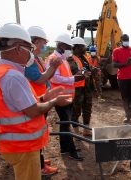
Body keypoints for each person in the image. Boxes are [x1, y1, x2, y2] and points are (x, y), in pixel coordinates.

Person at [0, 23, 71, 180]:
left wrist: (45, 98)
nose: (31, 54)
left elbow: (17, 105)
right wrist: (54, 101)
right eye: (30, 49)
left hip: (14, 143)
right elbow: (32, 110)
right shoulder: (13, 76)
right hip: (24, 145)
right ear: (19, 48)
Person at [25, 26, 61, 175]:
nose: (44, 45)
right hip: (36, 102)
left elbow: (45, 76)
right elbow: (39, 79)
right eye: (42, 42)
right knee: (35, 134)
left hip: (40, 99)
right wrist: (52, 67)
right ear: (33, 42)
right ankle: (39, 165)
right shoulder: (28, 60)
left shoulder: (34, 58)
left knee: (39, 132)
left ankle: (39, 159)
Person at [45, 33, 85, 161]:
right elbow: (54, 77)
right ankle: (71, 150)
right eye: (68, 46)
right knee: (66, 123)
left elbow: (64, 75)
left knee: (64, 123)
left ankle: (65, 148)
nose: (70, 49)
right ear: (62, 45)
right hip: (60, 97)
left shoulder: (62, 59)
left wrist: (75, 76)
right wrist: (73, 79)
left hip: (66, 96)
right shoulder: (53, 59)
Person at [113, 34, 131, 124]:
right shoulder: (116, 51)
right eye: (124, 40)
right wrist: (125, 64)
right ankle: (127, 116)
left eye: (127, 39)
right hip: (122, 78)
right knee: (125, 98)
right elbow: (114, 64)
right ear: (121, 40)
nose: (126, 41)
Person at [67, 37, 94, 136]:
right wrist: (85, 72)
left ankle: (86, 130)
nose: (84, 48)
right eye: (83, 46)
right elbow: (75, 71)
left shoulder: (84, 57)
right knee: (76, 110)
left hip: (87, 88)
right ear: (77, 47)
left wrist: (92, 70)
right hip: (77, 89)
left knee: (87, 109)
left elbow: (87, 69)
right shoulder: (70, 58)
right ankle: (76, 132)